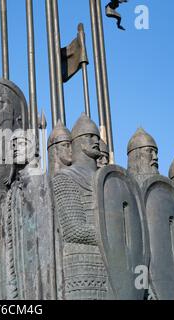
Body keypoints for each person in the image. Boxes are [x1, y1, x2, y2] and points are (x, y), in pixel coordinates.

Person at [52, 113, 109, 300]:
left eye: (97, 137)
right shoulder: (65, 178)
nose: (96, 141)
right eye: (89, 136)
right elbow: (74, 230)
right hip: (83, 264)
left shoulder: (110, 181)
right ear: (77, 142)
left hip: (114, 266)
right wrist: (114, 235)